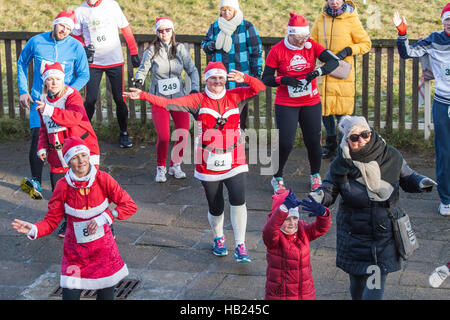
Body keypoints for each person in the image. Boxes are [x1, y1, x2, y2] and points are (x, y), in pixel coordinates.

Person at [123, 62, 266, 263]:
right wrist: (144, 95)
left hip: (235, 158)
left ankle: (241, 245)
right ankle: (219, 238)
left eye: (221, 78)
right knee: (215, 206)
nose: (217, 81)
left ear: (226, 79)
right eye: (213, 78)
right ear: (206, 79)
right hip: (208, 161)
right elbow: (167, 103)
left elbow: (260, 88)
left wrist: (247, 78)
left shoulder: (236, 95)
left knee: (238, 199)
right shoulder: (197, 100)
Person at [311, 115, 437, 300]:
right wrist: (319, 198)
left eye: (365, 134)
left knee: (374, 288)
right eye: (354, 137)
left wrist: (421, 182)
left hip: (383, 235)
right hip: (353, 234)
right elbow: (329, 189)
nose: (361, 140)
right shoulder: (341, 163)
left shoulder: (390, 155)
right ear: (347, 140)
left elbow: (408, 177)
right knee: (357, 286)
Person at [11, 136, 137, 300]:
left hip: (104, 253)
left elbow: (129, 206)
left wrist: (105, 217)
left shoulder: (104, 179)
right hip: (75, 255)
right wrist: (34, 228)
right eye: (75, 158)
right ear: (68, 162)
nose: (81, 161)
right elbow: (51, 221)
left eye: (84, 156)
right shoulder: (62, 186)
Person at [262, 12, 339, 194]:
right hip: (286, 102)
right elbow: (266, 78)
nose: (302, 41)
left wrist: (318, 72)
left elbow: (333, 62)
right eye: (298, 38)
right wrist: (283, 80)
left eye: (305, 37)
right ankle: (277, 177)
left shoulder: (311, 46)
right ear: (290, 34)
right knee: (286, 142)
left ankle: (315, 175)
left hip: (310, 100)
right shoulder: (277, 50)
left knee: (313, 141)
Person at [17, 10, 90, 200]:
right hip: (38, 99)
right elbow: (22, 63)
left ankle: (68, 182)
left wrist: (66, 92)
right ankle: (34, 183)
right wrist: (23, 90)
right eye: (62, 26)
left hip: (64, 102)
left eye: (68, 28)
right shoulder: (37, 41)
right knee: (37, 136)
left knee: (62, 140)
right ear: (55, 23)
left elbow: (84, 74)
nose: (64, 31)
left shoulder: (76, 46)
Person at [393, 4, 450, 217]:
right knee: (444, 152)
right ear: (442, 20)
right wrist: (402, 32)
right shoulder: (434, 39)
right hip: (443, 103)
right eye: (447, 19)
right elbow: (408, 53)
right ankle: (446, 199)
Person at [36, 62, 100, 237]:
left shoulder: (72, 96)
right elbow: (43, 127)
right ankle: (69, 222)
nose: (54, 83)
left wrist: (51, 110)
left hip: (81, 149)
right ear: (45, 82)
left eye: (57, 79)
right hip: (56, 153)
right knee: (60, 190)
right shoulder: (43, 100)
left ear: (63, 80)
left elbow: (74, 117)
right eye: (50, 80)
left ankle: (102, 221)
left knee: (89, 189)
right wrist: (41, 146)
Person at [133, 16, 200, 182]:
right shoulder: (151, 51)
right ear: (157, 33)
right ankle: (161, 167)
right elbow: (142, 70)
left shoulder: (180, 49)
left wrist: (194, 89)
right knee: (163, 136)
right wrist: (139, 81)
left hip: (179, 98)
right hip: (158, 98)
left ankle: (175, 165)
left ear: (172, 31)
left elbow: (192, 70)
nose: (164, 33)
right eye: (161, 31)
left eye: (167, 30)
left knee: (183, 133)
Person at [73, 0, 141, 148]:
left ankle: (124, 133)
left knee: (119, 98)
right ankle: (84, 134)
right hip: (93, 62)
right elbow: (76, 35)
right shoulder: (79, 11)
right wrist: (84, 46)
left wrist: (134, 51)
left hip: (114, 60)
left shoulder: (112, 5)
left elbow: (125, 28)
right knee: (89, 100)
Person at [311, 0, 371, 159]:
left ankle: (344, 147)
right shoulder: (320, 19)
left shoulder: (351, 19)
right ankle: (330, 145)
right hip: (324, 72)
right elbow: (312, 43)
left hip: (342, 74)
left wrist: (348, 50)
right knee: (325, 112)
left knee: (343, 114)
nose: (334, 2)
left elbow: (366, 44)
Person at [202, 0, 263, 131]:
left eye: (230, 9)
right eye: (223, 10)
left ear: (235, 10)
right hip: (221, 74)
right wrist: (211, 45)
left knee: (241, 105)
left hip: (240, 73)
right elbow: (204, 45)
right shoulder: (215, 27)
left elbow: (256, 50)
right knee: (220, 105)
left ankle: (241, 133)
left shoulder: (246, 26)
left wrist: (256, 72)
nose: (227, 12)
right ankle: (221, 134)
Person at [262, 189, 331, 300]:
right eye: (287, 219)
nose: (292, 223)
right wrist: (283, 210)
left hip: (305, 293)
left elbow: (321, 228)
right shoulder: (274, 238)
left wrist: (323, 214)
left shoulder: (302, 230)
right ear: (279, 220)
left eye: (295, 218)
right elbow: (269, 230)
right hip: (281, 295)